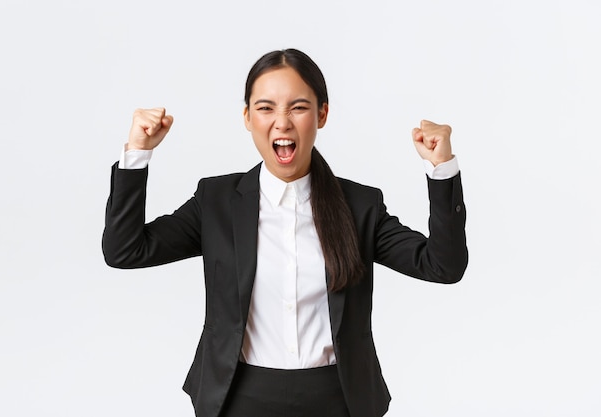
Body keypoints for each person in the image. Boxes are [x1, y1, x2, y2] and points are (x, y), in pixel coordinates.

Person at [103, 48, 468, 417]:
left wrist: (441, 170)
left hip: (338, 401)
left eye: (298, 107)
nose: (282, 122)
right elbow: (126, 251)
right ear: (246, 117)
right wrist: (137, 154)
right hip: (238, 399)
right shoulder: (216, 202)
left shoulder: (359, 206)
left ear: (322, 114)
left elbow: (442, 266)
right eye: (265, 108)